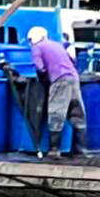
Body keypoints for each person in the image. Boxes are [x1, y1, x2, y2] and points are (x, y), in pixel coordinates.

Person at [27, 26, 89, 158]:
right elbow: (72, 60)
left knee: (56, 112)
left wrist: (44, 81)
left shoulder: (37, 47)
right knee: (76, 110)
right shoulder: (57, 45)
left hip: (59, 79)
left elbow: (40, 68)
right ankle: (80, 149)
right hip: (73, 77)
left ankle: (54, 150)